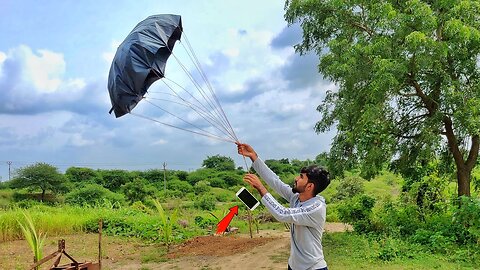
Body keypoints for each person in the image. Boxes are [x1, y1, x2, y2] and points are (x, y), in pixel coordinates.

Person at [236, 142, 330, 270]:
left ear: (309, 186)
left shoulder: (316, 208)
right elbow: (275, 182)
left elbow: (283, 214)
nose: (296, 178)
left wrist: (261, 187)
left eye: (301, 177)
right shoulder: (297, 197)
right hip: (294, 266)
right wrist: (253, 156)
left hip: (313, 268)